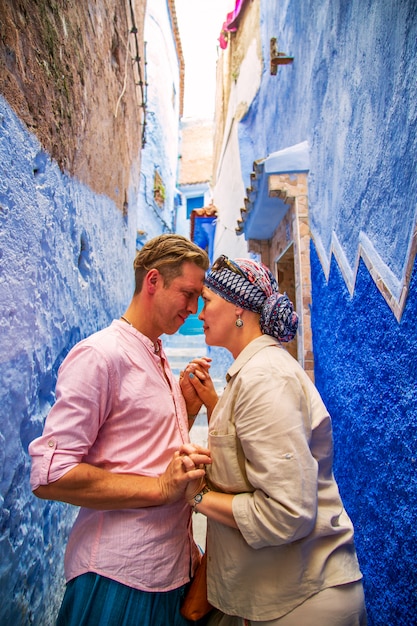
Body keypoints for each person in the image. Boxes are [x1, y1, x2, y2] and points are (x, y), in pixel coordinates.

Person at [29, 234, 212, 626]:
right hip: (116, 580)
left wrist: (186, 410)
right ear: (153, 282)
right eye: (188, 293)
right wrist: (161, 489)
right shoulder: (101, 355)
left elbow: (140, 451)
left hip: (168, 572)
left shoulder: (156, 354)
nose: (194, 309)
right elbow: (50, 474)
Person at [180, 255, 367, 626]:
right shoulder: (254, 374)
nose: (200, 314)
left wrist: (197, 496)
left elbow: (287, 513)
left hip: (304, 602)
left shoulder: (264, 378)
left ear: (238, 308)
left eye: (208, 300)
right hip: (287, 595)